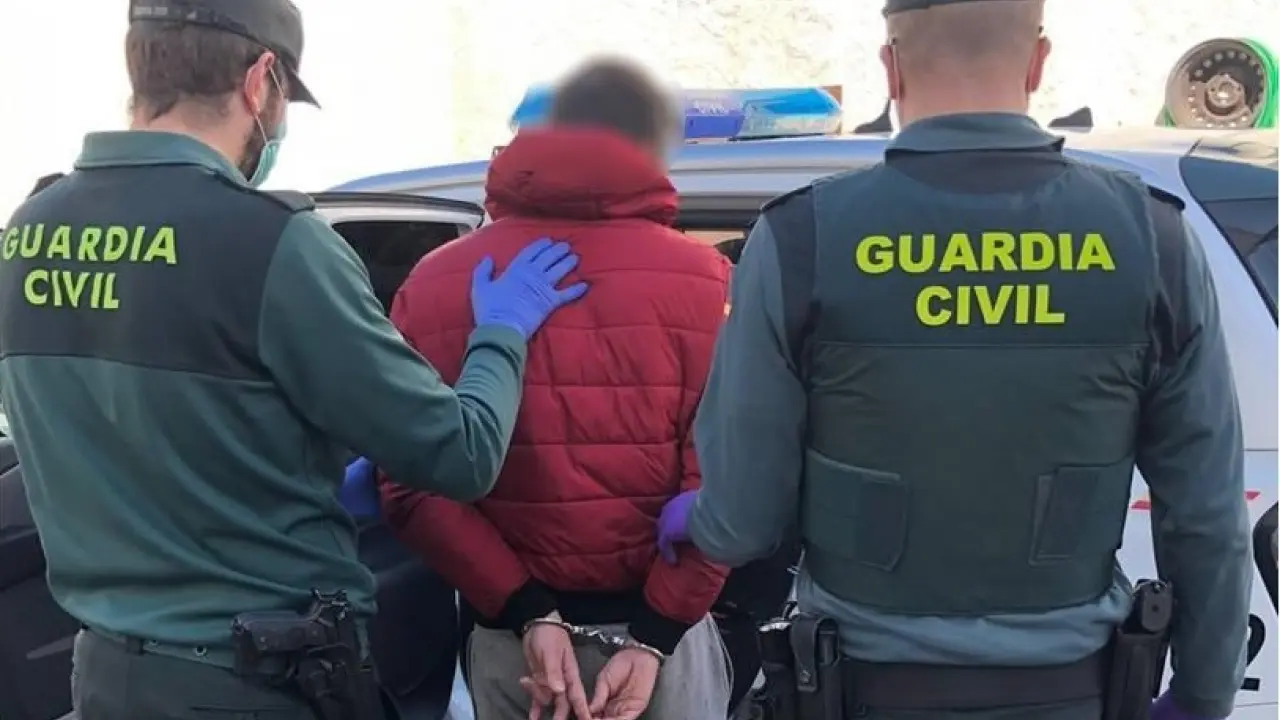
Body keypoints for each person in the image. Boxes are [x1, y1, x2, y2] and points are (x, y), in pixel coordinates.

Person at [655, 1, 1253, 719]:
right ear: (1037, 63)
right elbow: (1206, 517)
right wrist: (1202, 694)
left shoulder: (801, 239)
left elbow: (746, 521)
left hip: (863, 691)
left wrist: (696, 518)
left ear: (891, 68)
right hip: (1073, 693)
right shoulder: (1151, 239)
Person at [0, 1, 585, 718]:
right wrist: (502, 330)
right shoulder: (271, 242)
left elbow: (151, 424)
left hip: (107, 677)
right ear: (260, 80)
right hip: (255, 685)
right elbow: (461, 455)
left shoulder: (29, 232)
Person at [376, 57, 734, 720]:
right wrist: (655, 635)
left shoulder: (436, 281)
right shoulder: (706, 280)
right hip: (664, 650)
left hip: (512, 651)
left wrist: (525, 609)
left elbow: (411, 483)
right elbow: (727, 483)